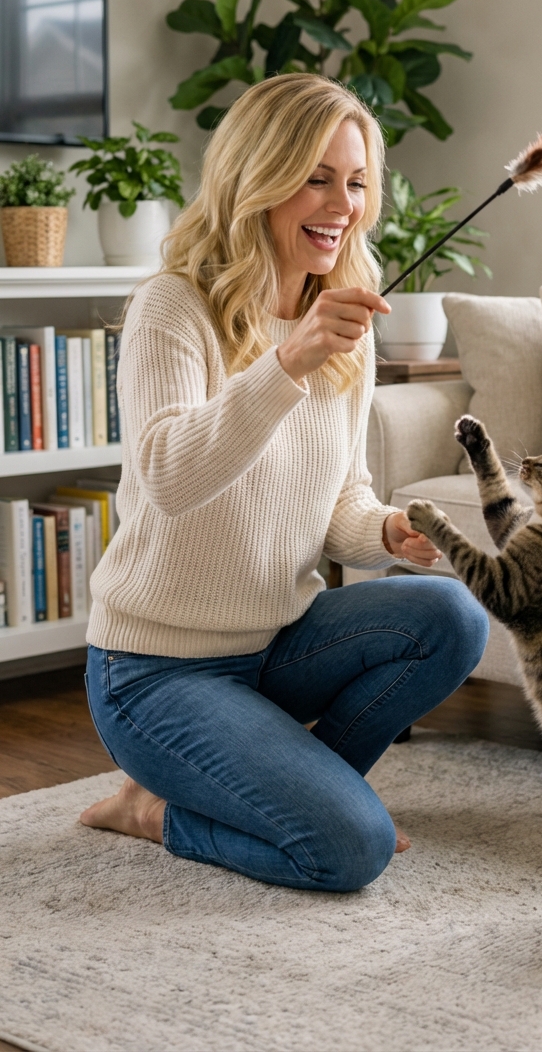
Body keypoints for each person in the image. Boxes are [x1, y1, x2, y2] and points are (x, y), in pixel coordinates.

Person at [80, 74, 488, 891]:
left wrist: (385, 535)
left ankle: (303, 791)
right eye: (318, 177)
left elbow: (338, 497)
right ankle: (152, 808)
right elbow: (167, 478)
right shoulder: (173, 306)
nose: (344, 203)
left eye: (358, 182)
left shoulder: (343, 319)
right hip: (155, 670)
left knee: (452, 613)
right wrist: (288, 360)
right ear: (257, 176)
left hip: (273, 644)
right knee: (350, 852)